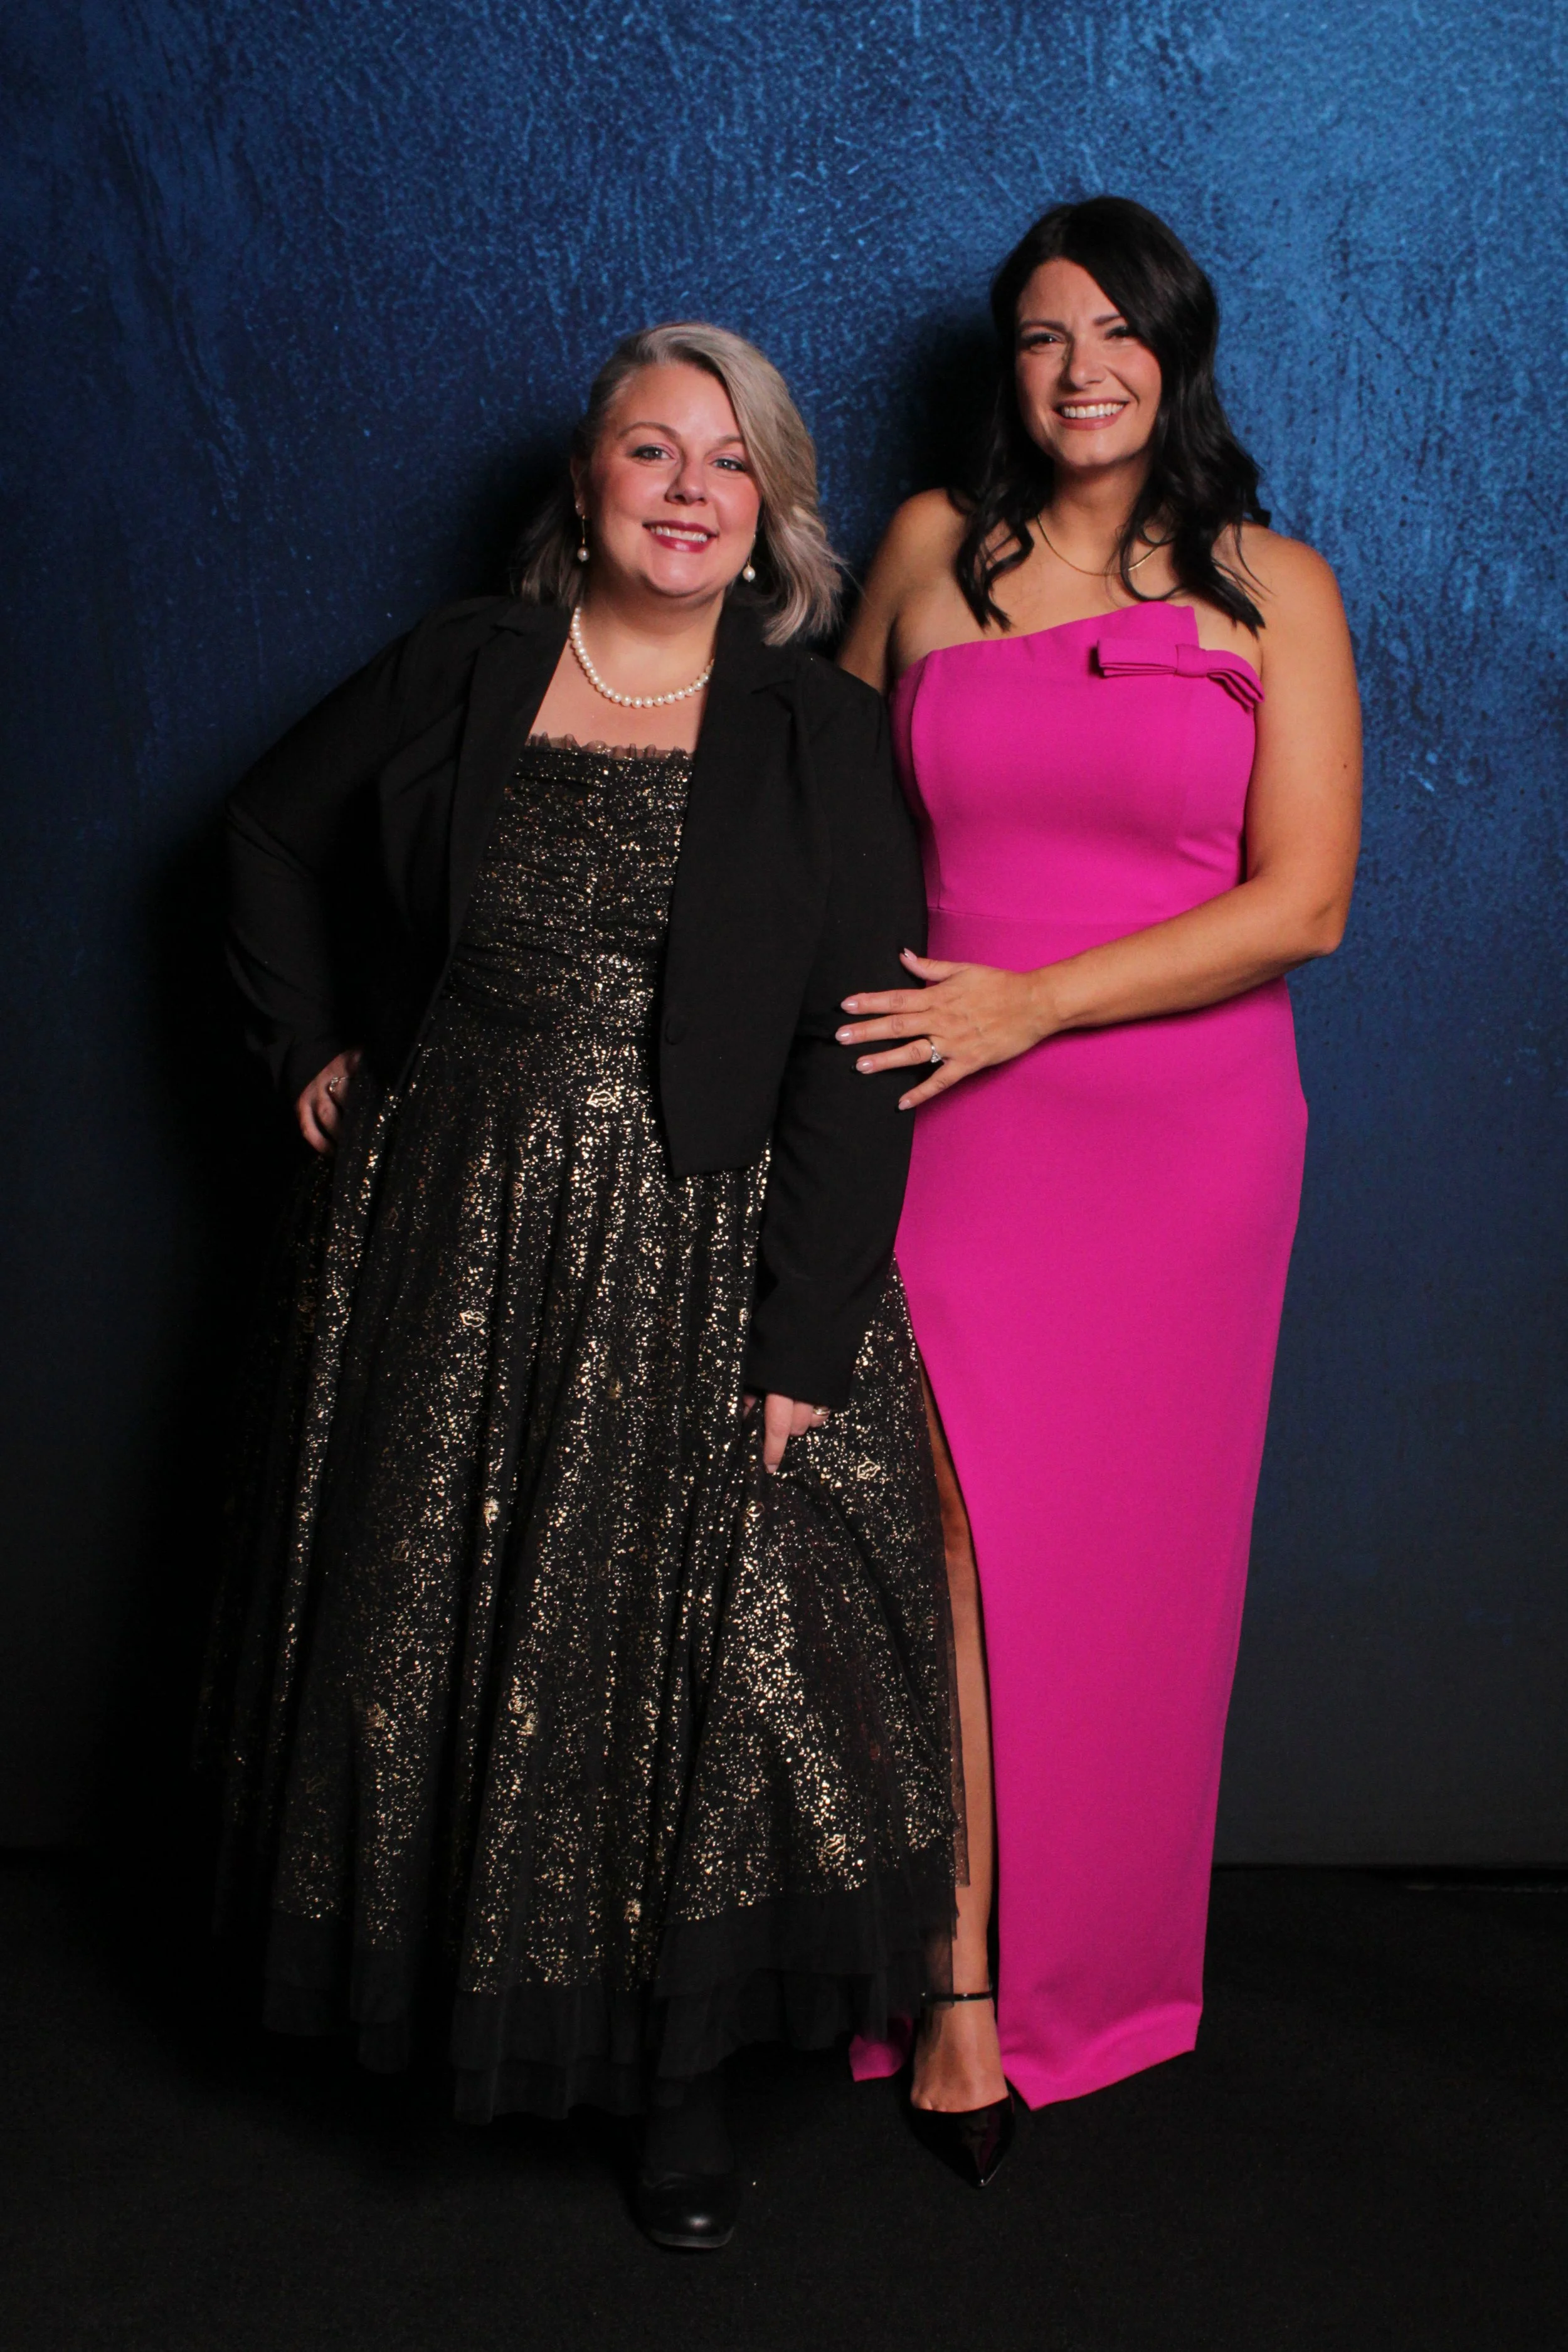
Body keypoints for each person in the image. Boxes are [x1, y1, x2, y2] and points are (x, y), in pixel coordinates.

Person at [200, 323, 958, 2252]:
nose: (689, 488)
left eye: (730, 461)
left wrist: (803, 1338)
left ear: (774, 511)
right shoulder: (468, 663)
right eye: (652, 450)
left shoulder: (816, 733)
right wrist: (309, 1040)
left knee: (678, 1669)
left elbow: (853, 1052)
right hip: (448, 1217)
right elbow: (268, 832)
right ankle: (463, 2017)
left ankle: (675, 2088)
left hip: (698, 1240)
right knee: (445, 1638)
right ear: (589, 487)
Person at [837, 198, 1361, 2162]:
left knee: (1124, 1567)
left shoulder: (1269, 591)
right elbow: (793, 810)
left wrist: (1031, 1003)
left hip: (1175, 1127)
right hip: (938, 1098)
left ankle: (1100, 1976)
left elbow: (1301, 901)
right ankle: (953, 1976)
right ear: (1011, 363)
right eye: (1044, 335)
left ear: (1174, 355)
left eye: (1116, 332)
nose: (1081, 369)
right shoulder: (917, 554)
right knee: (944, 1532)